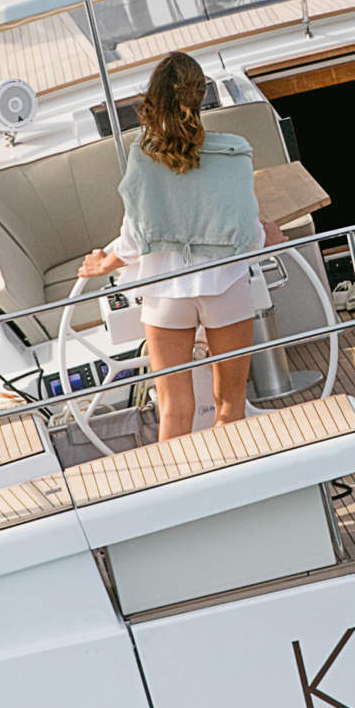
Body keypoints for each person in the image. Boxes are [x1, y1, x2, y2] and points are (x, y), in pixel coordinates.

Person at [79, 52, 285, 440]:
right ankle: (231, 473)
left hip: (165, 291)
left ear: (152, 98)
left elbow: (136, 235)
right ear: (202, 95)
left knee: (173, 409)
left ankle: (179, 478)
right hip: (225, 286)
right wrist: (267, 237)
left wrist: (104, 263)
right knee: (230, 403)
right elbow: (245, 230)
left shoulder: (144, 155)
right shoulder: (234, 152)